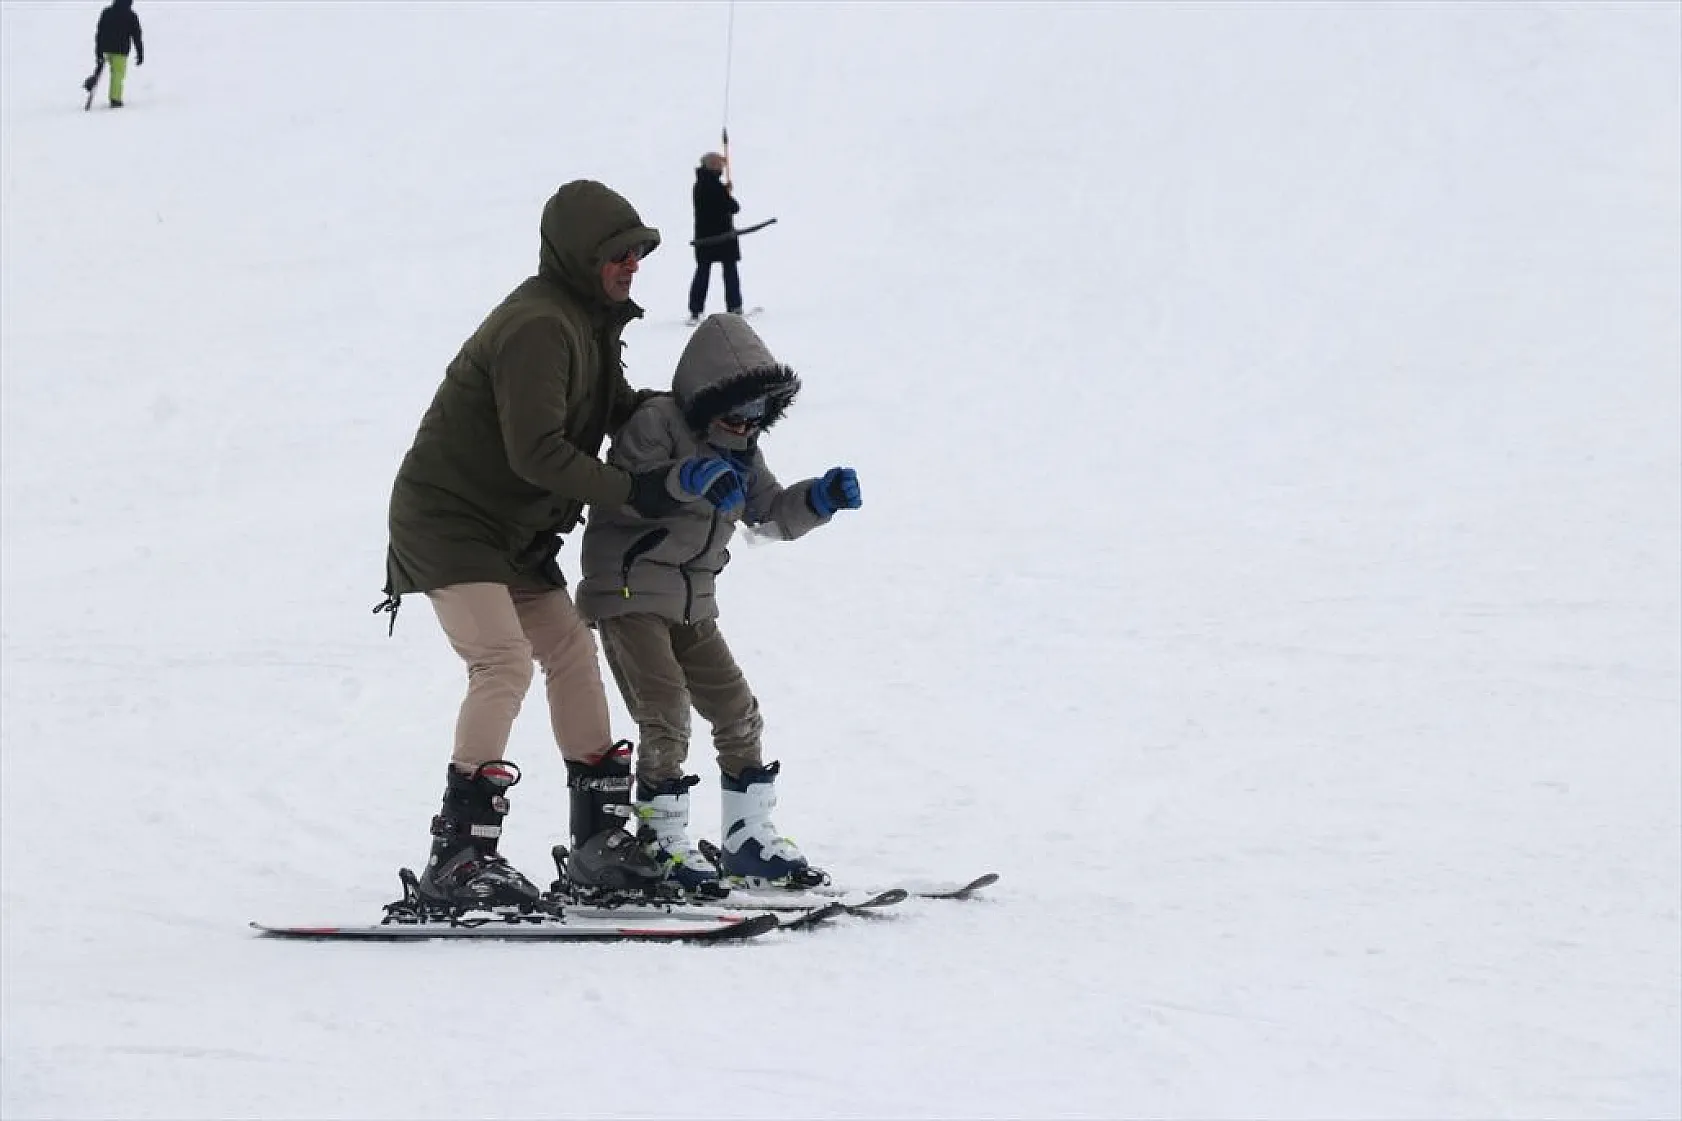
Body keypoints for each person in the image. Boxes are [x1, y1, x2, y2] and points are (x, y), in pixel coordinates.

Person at [379, 180, 751, 910]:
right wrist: (636, 490)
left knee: (571, 652)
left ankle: (597, 845)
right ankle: (459, 856)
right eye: (617, 254)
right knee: (502, 660)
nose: (630, 265)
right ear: (580, 256)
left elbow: (616, 408)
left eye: (638, 253)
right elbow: (538, 452)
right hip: (452, 520)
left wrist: (699, 417)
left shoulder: (589, 321)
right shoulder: (540, 326)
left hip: (513, 532)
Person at [575, 312, 863, 891]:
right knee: (666, 714)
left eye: (760, 414)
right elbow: (631, 492)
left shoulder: (744, 452)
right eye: (737, 412)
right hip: (628, 593)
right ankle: (659, 841)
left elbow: (769, 513)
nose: (747, 425)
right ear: (709, 400)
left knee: (736, 710)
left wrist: (819, 500)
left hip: (692, 602)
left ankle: (746, 838)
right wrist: (692, 477)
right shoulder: (656, 422)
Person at [687, 153, 744, 324]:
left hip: (704, 238)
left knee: (703, 272)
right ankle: (734, 307)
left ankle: (695, 310)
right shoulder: (714, 186)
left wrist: (724, 192)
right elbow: (733, 207)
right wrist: (727, 194)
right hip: (722, 238)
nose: (722, 169)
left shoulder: (700, 185)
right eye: (720, 165)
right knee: (729, 273)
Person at [86, 0, 143, 109]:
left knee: (99, 71)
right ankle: (115, 99)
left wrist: (98, 51)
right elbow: (137, 36)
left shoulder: (107, 12)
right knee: (117, 75)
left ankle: (92, 83)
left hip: (105, 48)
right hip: (120, 51)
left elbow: (100, 32)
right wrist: (140, 53)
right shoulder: (131, 16)